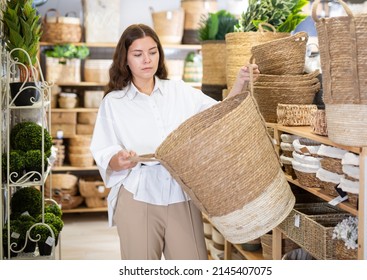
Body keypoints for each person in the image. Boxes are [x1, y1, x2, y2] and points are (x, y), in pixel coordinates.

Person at [90, 23, 260, 260]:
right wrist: (120, 160)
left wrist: (241, 83)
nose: (147, 60)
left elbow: (217, 115)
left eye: (152, 52)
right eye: (138, 54)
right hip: (139, 196)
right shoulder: (114, 102)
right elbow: (104, 151)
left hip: (181, 195)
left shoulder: (179, 91)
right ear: (125, 59)